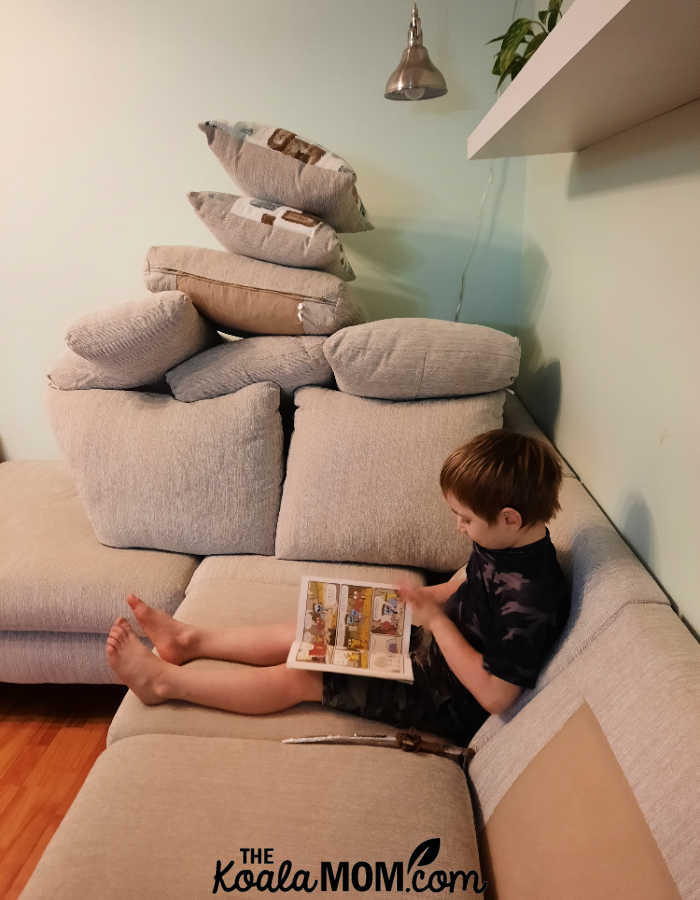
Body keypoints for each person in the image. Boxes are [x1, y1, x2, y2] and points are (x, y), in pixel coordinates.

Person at [105, 429, 570, 747]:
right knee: (314, 630)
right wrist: (435, 597)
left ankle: (164, 683)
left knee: (301, 677)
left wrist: (434, 623)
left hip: (449, 699)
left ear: (510, 517)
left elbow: (495, 696)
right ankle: (190, 641)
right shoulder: (509, 542)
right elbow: (469, 576)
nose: (459, 528)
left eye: (466, 519)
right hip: (433, 650)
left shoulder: (531, 599)